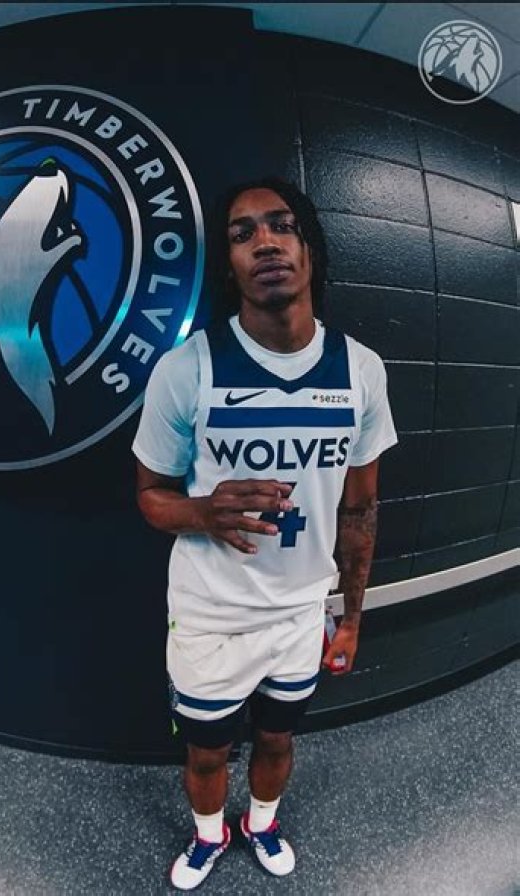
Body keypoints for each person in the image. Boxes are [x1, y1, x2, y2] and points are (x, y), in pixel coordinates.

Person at [132, 176, 398, 890]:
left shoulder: (361, 371)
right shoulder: (187, 369)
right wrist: (202, 512)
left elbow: (360, 512)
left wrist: (350, 619)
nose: (266, 243)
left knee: (278, 738)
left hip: (299, 613)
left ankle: (262, 823)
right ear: (229, 264)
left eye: (282, 226)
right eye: (243, 234)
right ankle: (209, 836)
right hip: (210, 614)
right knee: (206, 753)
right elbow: (149, 497)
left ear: (310, 249)